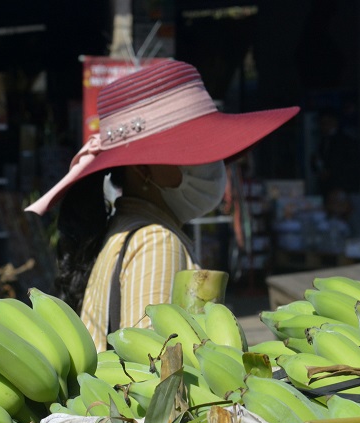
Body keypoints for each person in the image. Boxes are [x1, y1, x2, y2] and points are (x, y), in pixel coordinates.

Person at [25, 59, 299, 351]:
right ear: (142, 170)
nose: (210, 163)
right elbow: (150, 369)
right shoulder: (156, 241)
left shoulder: (127, 229)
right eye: (192, 150)